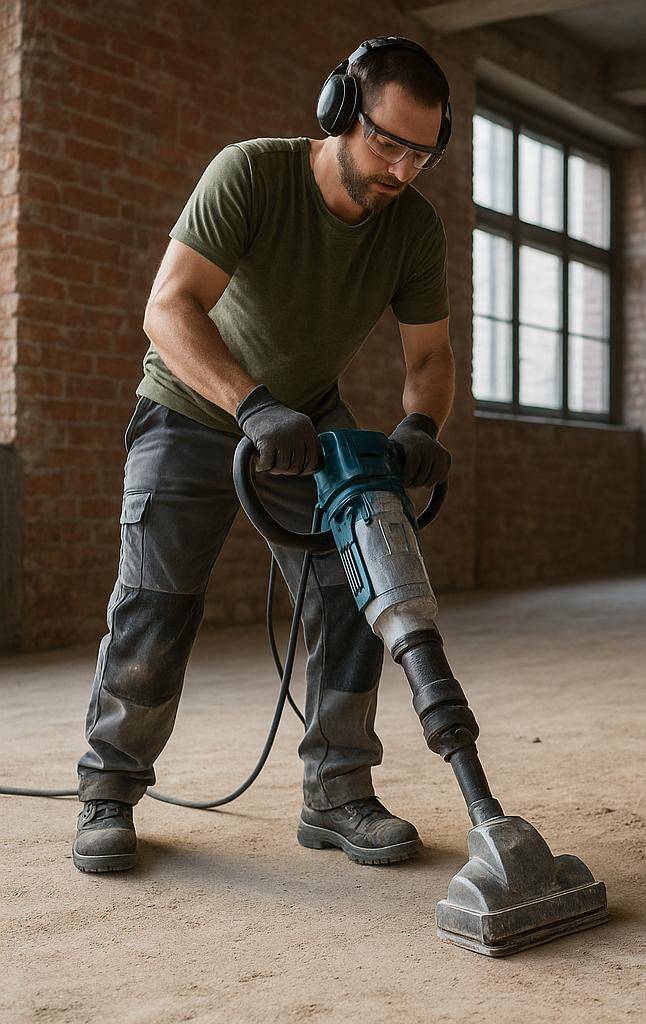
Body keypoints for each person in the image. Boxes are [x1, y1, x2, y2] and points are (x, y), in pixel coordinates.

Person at [73, 37, 455, 874]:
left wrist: (421, 427)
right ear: (339, 113)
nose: (400, 169)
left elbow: (428, 359)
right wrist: (250, 403)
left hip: (307, 424)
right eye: (386, 142)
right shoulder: (251, 173)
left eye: (421, 154)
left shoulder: (413, 229)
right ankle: (109, 789)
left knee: (358, 591)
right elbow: (169, 309)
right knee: (156, 604)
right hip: (191, 407)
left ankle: (338, 793)